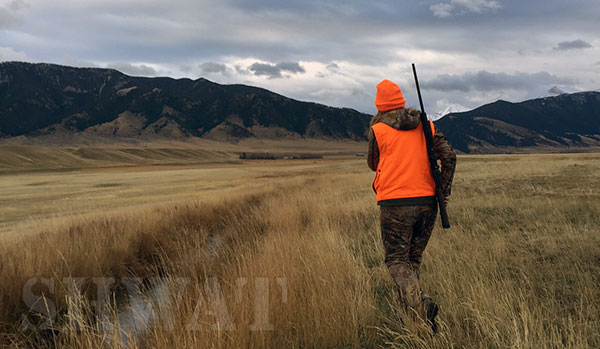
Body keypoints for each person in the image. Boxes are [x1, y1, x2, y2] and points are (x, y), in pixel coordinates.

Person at [367, 79, 456, 333]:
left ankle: (421, 301)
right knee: (411, 262)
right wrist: (444, 191)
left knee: (396, 261)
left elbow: (374, 164)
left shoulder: (378, 130)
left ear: (380, 106)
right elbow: (449, 155)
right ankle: (414, 323)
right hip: (428, 203)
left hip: (395, 204)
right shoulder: (426, 126)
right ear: (401, 100)